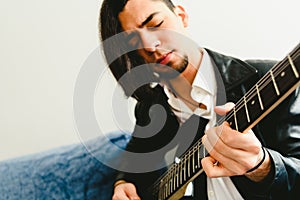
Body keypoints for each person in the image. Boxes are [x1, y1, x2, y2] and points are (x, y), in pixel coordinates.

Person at [99, 0, 300, 199]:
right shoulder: (151, 106)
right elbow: (135, 159)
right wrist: (123, 183)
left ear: (182, 16)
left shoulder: (267, 78)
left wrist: (262, 166)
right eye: (134, 42)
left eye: (156, 25)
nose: (151, 46)